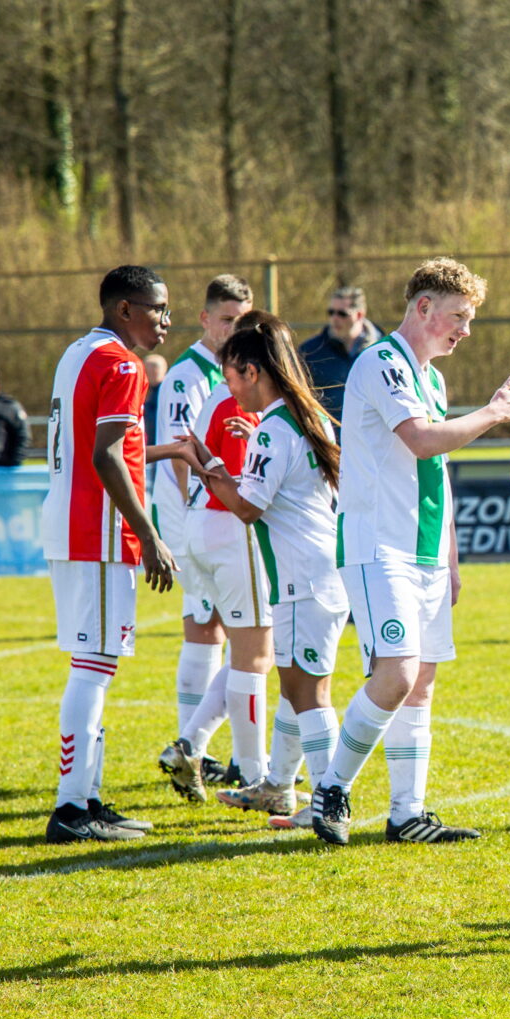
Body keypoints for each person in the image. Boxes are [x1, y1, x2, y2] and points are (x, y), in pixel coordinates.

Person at [307, 258, 510, 847]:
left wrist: (450, 558)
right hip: (378, 544)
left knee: (421, 680)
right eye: (459, 316)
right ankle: (331, 787)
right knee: (398, 673)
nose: (466, 330)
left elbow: (438, 472)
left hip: (423, 550)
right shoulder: (382, 362)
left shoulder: (431, 377)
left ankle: (407, 813)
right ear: (423, 307)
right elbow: (422, 439)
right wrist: (492, 414)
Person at [159, 319, 347, 826]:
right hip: (317, 574)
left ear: (252, 370)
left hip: (302, 579)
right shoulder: (304, 417)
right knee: (294, 688)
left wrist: (209, 466)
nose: (229, 389)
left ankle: (329, 803)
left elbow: (246, 507)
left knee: (309, 695)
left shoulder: (274, 429)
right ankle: (279, 788)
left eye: (231, 378)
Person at [39, 266, 180, 845]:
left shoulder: (78, 353)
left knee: (94, 665)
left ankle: (88, 797)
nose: (166, 319)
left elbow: (98, 447)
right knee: (94, 668)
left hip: (70, 523)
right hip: (96, 530)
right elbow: (106, 455)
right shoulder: (122, 364)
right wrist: (149, 535)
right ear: (125, 309)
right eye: (157, 308)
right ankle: (72, 807)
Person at [152, 275, 255, 801]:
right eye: (227, 320)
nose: (235, 328)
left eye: (243, 320)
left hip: (211, 512)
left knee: (218, 631)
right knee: (217, 630)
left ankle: (203, 749)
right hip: (195, 514)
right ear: (205, 319)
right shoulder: (187, 375)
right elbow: (178, 452)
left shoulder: (235, 370)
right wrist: (197, 507)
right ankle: (201, 749)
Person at [298, 284, 378, 421]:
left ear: (359, 315)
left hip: (370, 432)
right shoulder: (310, 351)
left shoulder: (381, 351)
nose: (335, 318)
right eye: (331, 312)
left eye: (342, 313)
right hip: (326, 432)